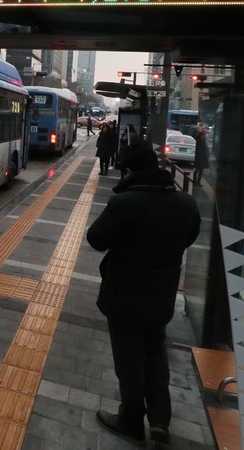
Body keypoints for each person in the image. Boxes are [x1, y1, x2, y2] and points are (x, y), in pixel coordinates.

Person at [86, 143, 201, 446]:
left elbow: (96, 239)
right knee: (155, 353)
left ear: (129, 171)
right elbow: (189, 237)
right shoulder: (186, 204)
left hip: (124, 298)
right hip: (161, 298)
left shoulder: (125, 203)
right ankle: (160, 421)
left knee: (129, 360)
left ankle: (131, 421)